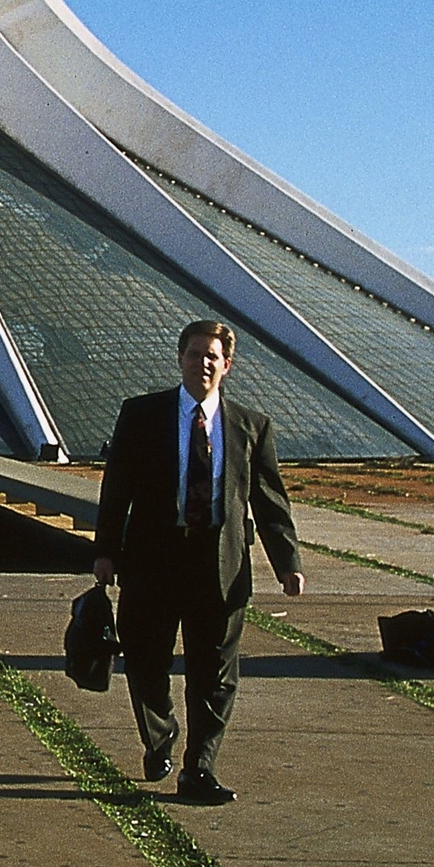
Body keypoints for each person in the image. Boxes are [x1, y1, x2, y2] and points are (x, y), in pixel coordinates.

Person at [93, 320, 305, 806]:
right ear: (180, 359)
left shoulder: (253, 426)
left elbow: (270, 502)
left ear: (226, 365)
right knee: (145, 663)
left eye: (212, 356)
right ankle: (160, 732)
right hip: (153, 559)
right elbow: (117, 487)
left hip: (220, 564)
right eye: (194, 354)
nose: (203, 363)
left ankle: (199, 769)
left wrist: (286, 561)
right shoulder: (143, 415)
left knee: (216, 675)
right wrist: (105, 550)